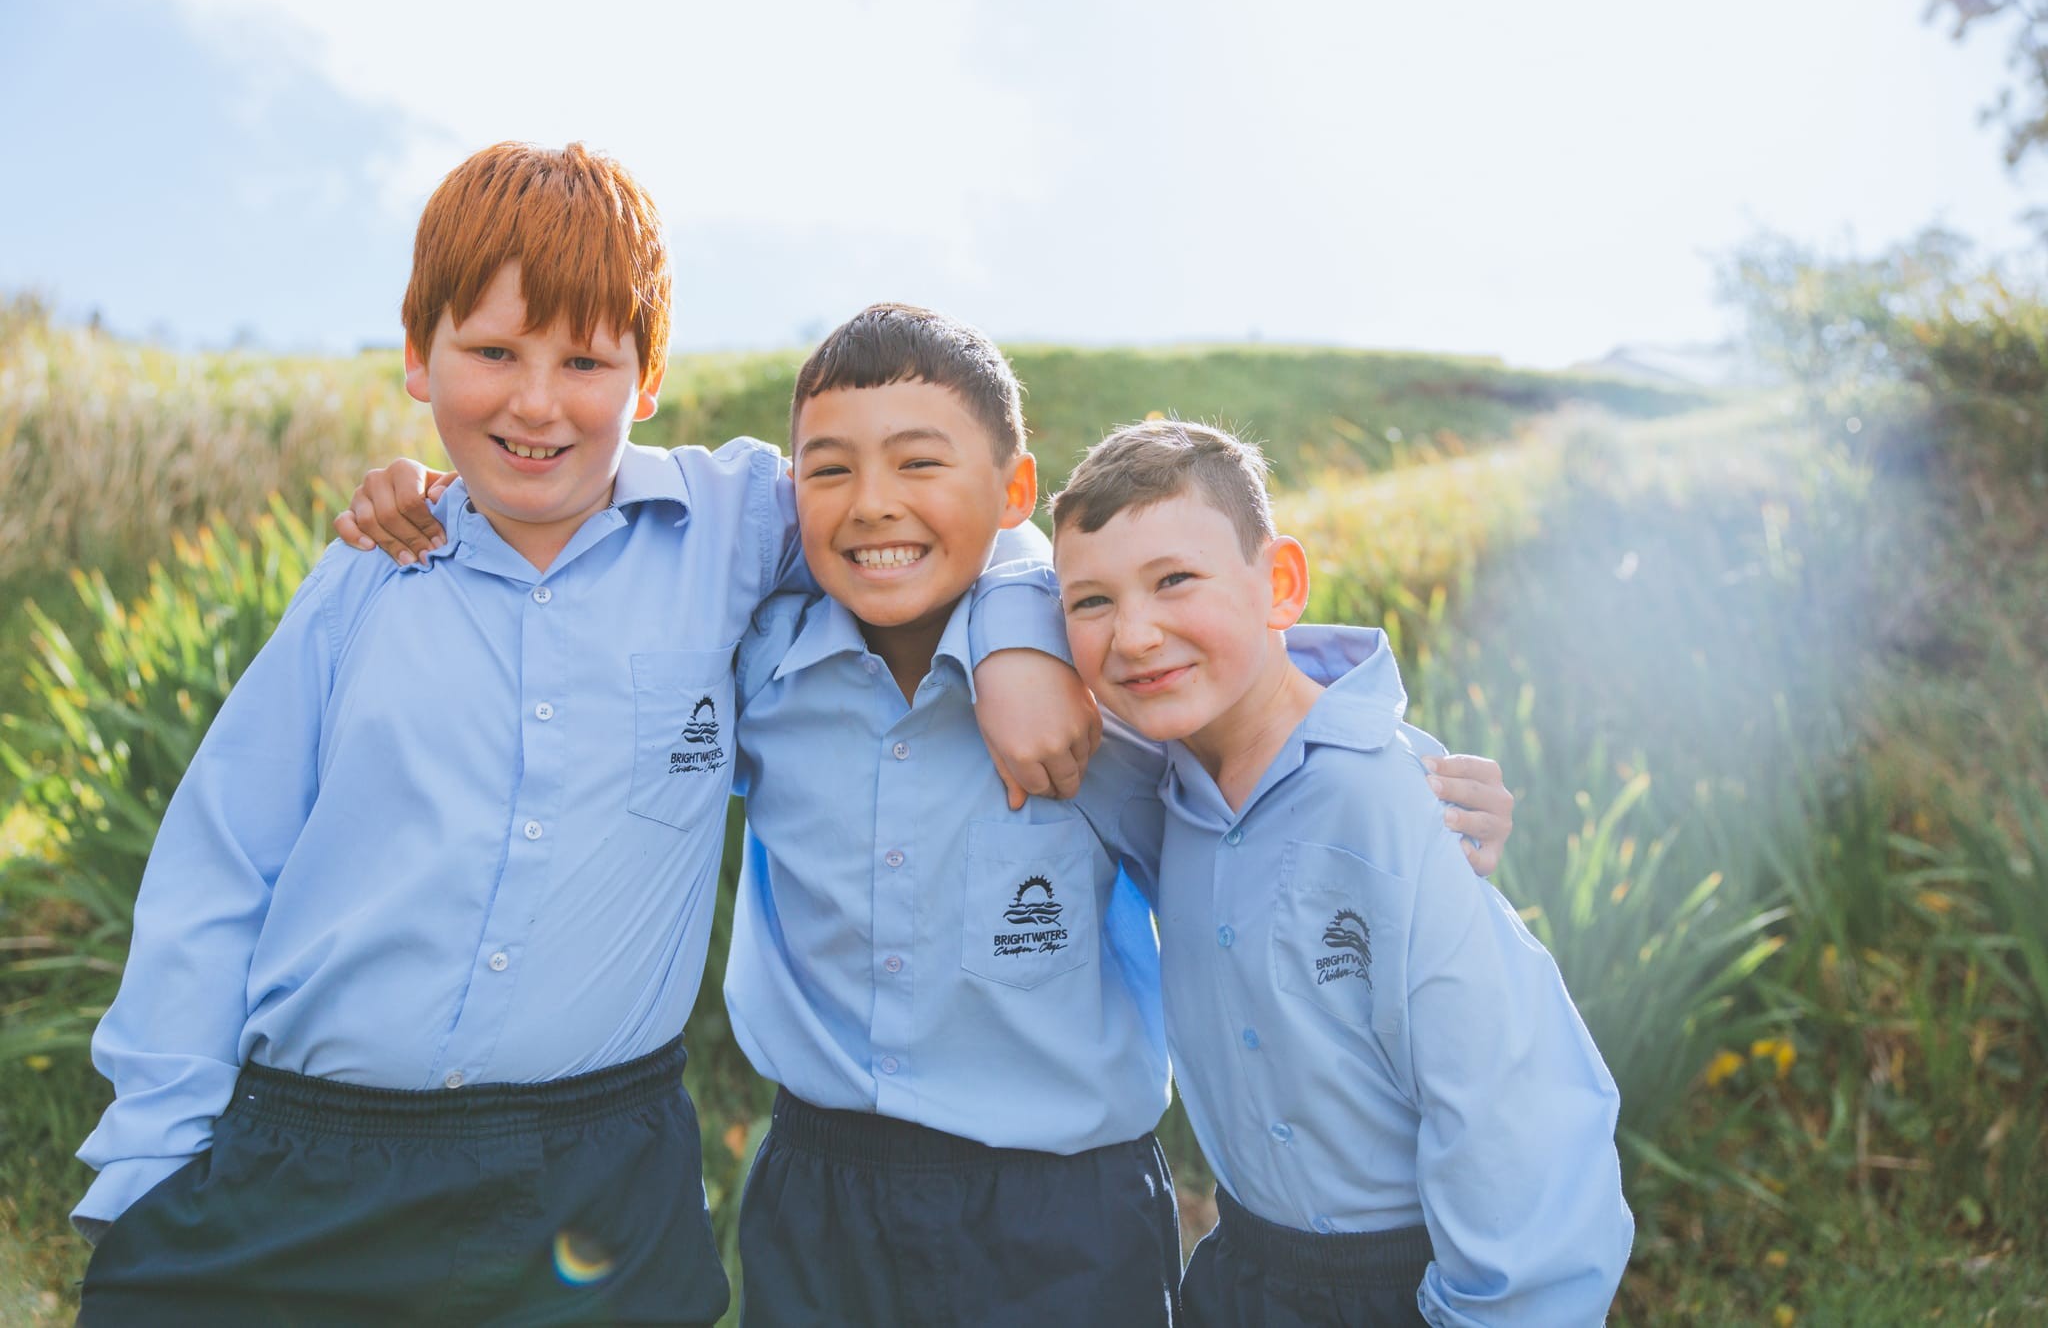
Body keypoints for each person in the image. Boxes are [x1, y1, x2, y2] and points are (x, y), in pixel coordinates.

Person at [69, 143, 1086, 1328]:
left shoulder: (735, 520)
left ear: (645, 377)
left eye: (585, 361)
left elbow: (944, 504)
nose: (536, 402)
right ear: (417, 356)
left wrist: (1019, 633)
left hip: (599, 1182)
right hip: (307, 1157)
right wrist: (147, 1165)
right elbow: (218, 868)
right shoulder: (363, 579)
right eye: (492, 353)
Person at [342, 304, 1519, 1326]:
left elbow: (1247, 745)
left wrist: (1398, 780)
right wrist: (440, 498)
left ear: (1012, 492)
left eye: (918, 464)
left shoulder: (1088, 682)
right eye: (829, 470)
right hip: (818, 1191)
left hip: (1064, 1213)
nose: (872, 507)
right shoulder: (757, 676)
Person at [1051, 418, 1633, 1328]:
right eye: (1090, 602)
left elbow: (1511, 1113)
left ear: (1279, 583)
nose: (1134, 634)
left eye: (1174, 580)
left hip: (1405, 1285)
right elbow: (986, 582)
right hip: (1241, 1273)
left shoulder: (1395, 805)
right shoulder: (1158, 781)